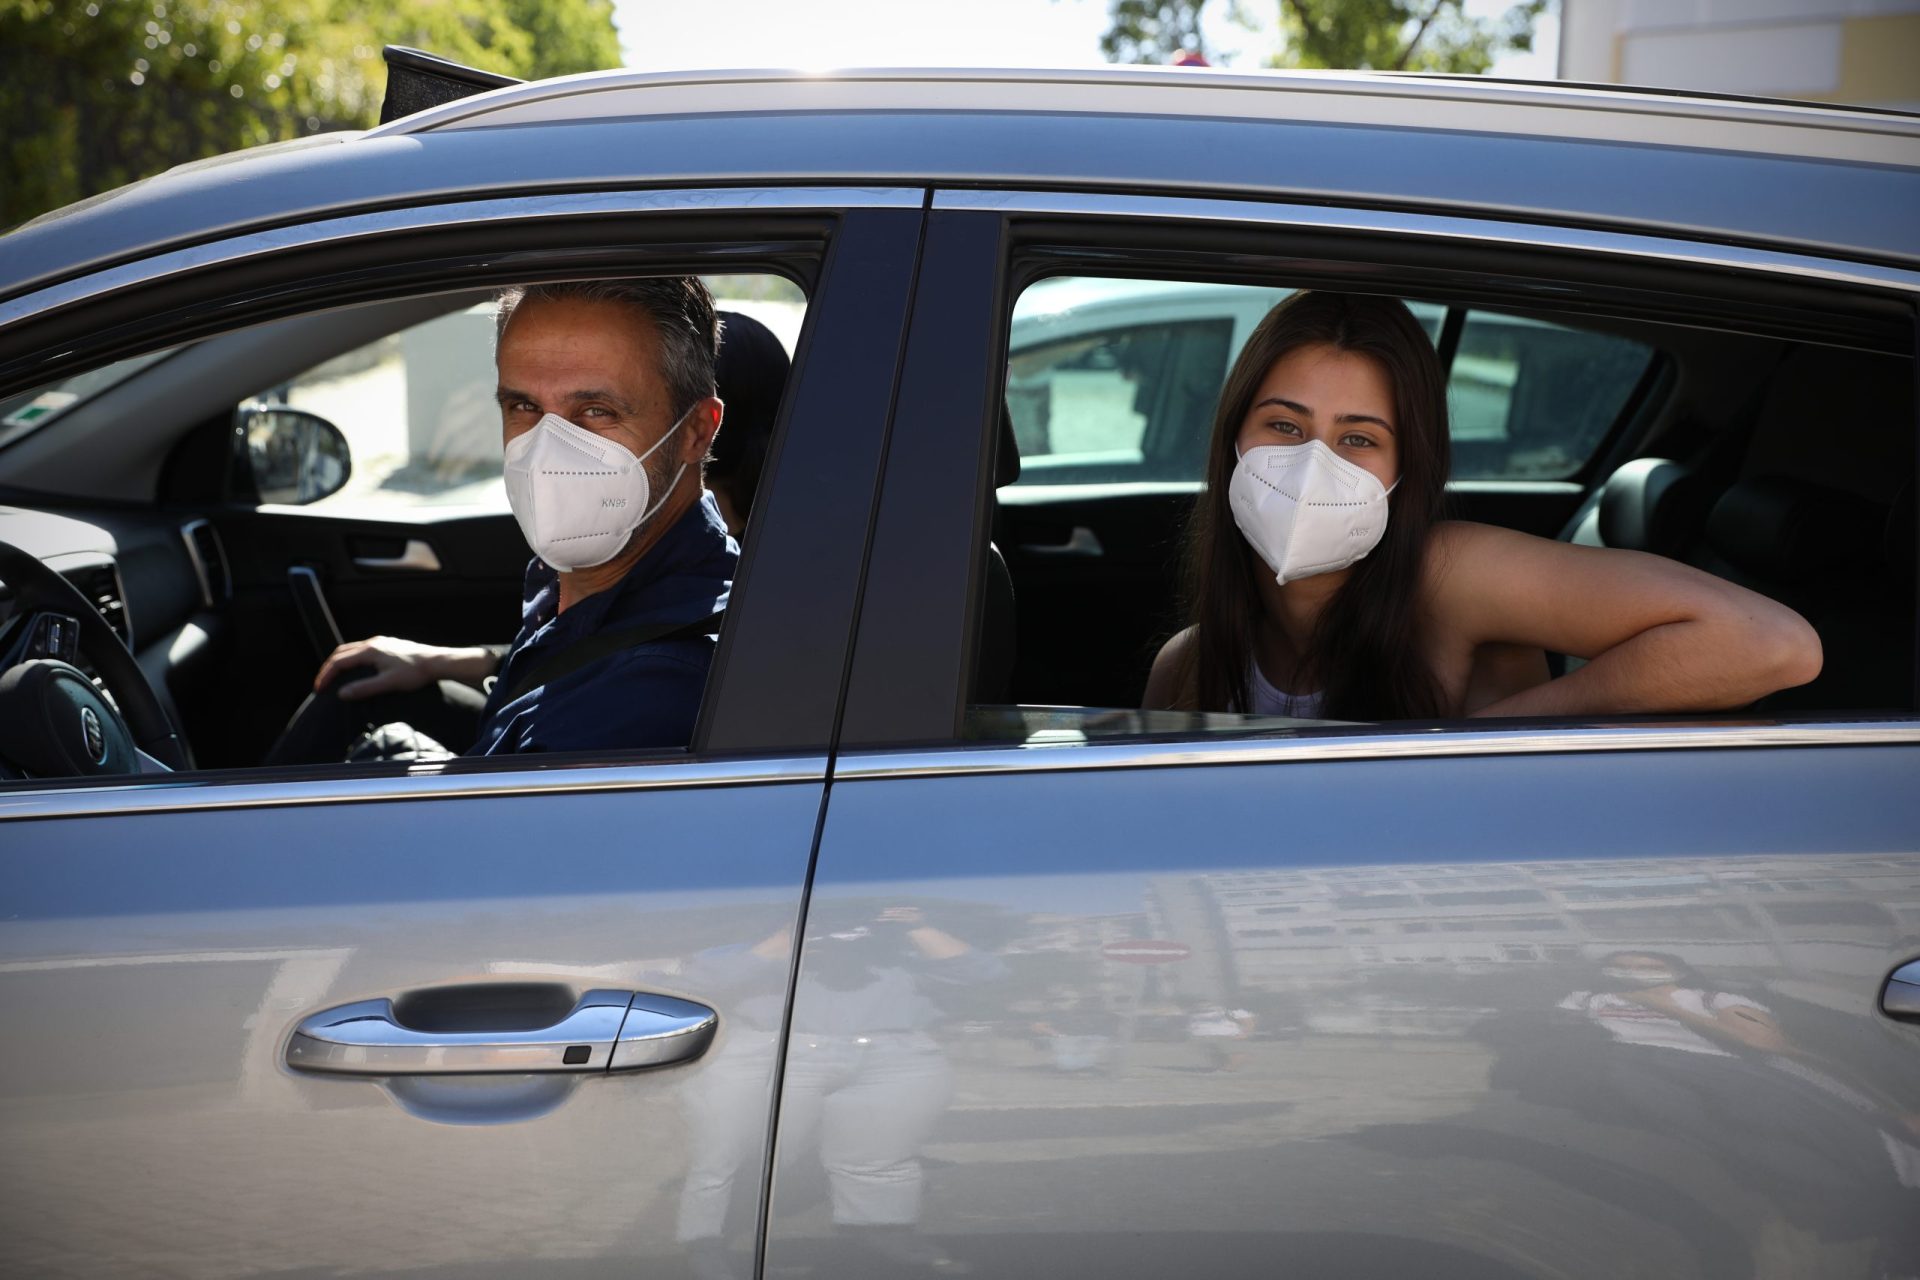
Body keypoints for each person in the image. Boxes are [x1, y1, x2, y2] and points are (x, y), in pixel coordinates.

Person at [1143, 290, 1822, 720]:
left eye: (1359, 438)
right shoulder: (1187, 666)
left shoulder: (1444, 575)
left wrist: (1484, 738)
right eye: (1285, 427)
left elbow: (1773, 645)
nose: (1313, 464)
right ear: (1233, 438)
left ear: (1406, 470)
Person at [271, 277, 734, 760]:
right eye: (524, 406)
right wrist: (456, 662)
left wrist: (400, 759)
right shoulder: (623, 580)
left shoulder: (651, 691)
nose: (546, 447)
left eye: (596, 411)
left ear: (696, 432)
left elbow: (498, 831)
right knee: (361, 687)